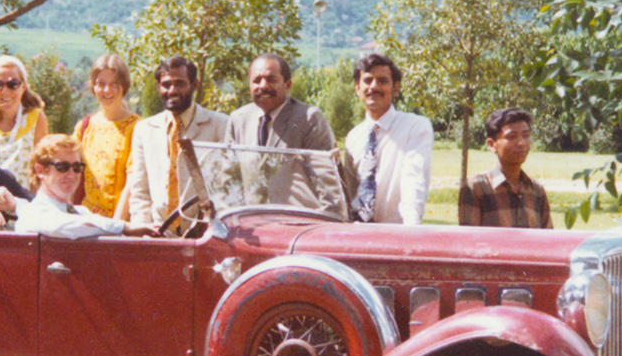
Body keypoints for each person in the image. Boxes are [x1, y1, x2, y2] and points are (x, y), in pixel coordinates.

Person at [223, 53, 338, 212]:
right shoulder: (238, 119)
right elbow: (228, 178)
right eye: (256, 80)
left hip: (296, 224)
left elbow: (326, 182)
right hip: (253, 224)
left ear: (287, 85)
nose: (263, 86)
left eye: (271, 79)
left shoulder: (308, 118)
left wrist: (327, 224)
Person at [126, 55, 229, 227]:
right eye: (166, 84)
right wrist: (143, 231)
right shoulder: (144, 130)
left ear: (194, 85)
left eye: (179, 83)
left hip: (203, 234)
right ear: (158, 87)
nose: (172, 90)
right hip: (157, 233)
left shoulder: (220, 125)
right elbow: (139, 191)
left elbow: (224, 186)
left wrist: (209, 231)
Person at [344, 53, 433, 225]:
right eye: (368, 80)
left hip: (397, 233)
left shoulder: (415, 127)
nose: (374, 87)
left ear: (395, 88)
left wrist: (411, 230)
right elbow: (350, 190)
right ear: (357, 88)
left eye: (382, 81)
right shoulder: (353, 137)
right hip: (357, 233)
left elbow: (414, 179)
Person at [15, 135, 160, 239]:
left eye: (77, 167)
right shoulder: (33, 212)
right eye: (62, 167)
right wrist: (125, 227)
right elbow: (61, 225)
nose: (72, 175)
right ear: (40, 171)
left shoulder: (81, 212)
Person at [459, 107, 553, 228]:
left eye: (526, 135)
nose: (521, 143)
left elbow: (547, 240)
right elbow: (469, 241)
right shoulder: (477, 187)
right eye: (511, 137)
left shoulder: (536, 190)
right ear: (492, 144)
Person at [74, 54, 140, 219]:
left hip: (121, 227)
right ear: (93, 87)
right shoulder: (84, 127)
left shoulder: (137, 128)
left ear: (124, 86)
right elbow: (70, 177)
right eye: (101, 84)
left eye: (114, 84)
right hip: (86, 224)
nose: (106, 90)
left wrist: (115, 229)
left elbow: (132, 184)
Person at [0, 54, 50, 180]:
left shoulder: (36, 119)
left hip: (22, 198)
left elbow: (41, 170)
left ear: (23, 86)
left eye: (13, 84)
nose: (5, 91)